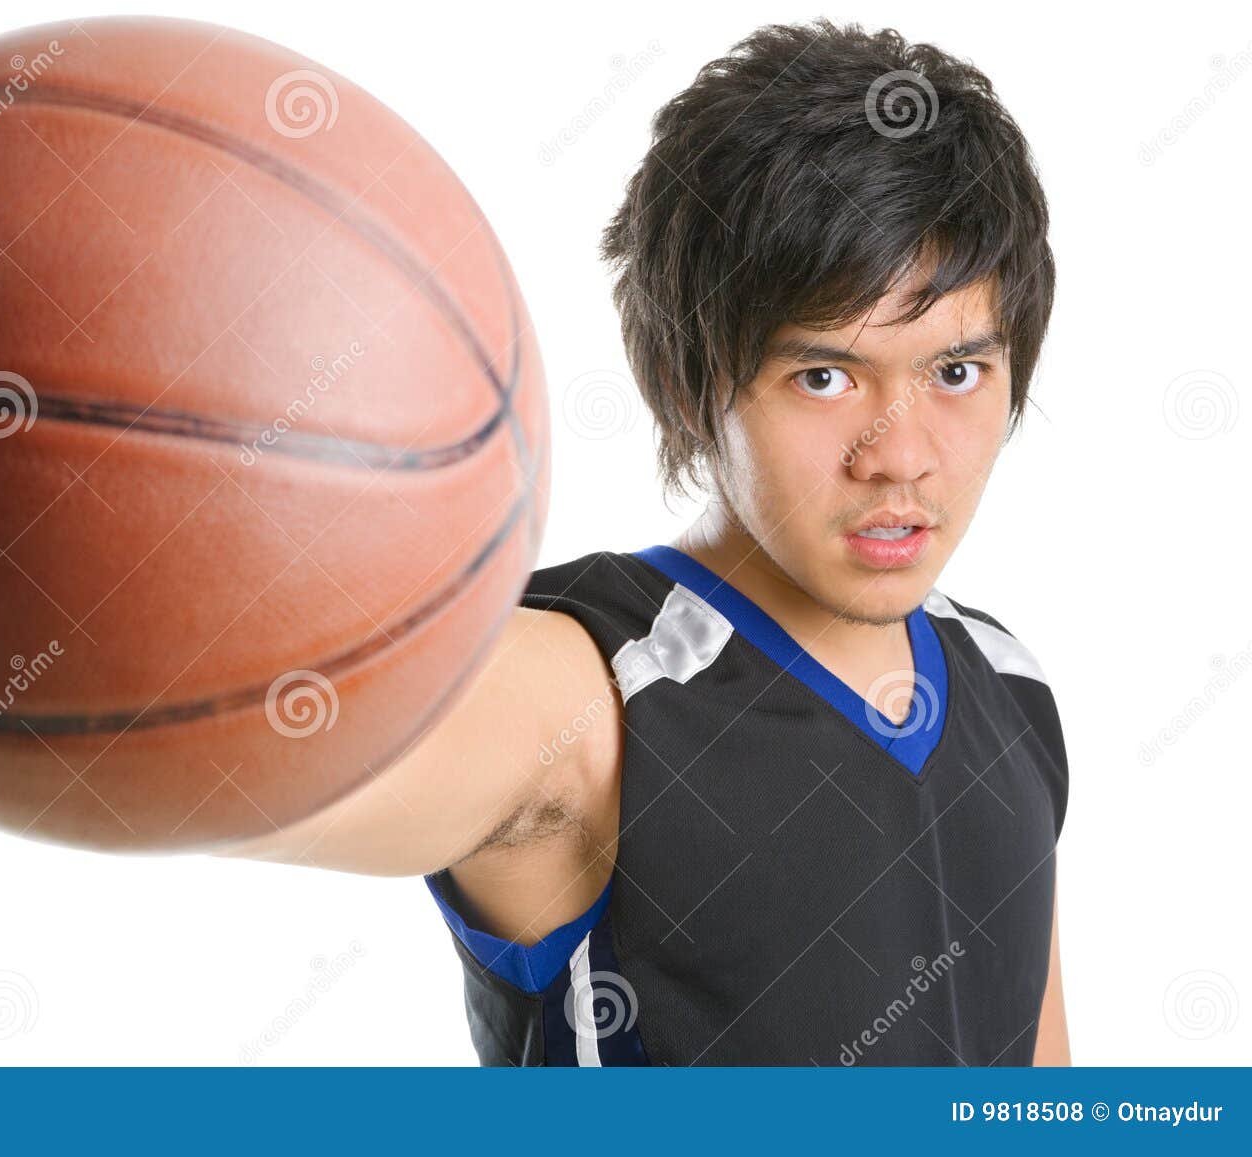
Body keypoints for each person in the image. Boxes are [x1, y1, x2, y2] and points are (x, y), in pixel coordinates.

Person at [219, 17, 1070, 1067]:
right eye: (823, 375)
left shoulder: (1007, 680)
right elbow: (201, 756)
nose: (900, 456)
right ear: (686, 385)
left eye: (953, 373)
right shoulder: (585, 691)